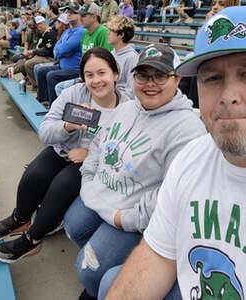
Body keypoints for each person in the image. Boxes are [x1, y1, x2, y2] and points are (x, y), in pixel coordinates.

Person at [102, 6, 246, 300]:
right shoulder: (193, 157)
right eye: (213, 78)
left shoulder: (184, 133)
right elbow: (157, 255)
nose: (229, 95)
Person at [63, 43, 206, 300]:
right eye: (143, 75)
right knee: (73, 226)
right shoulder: (126, 108)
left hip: (131, 216)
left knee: (90, 271)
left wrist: (124, 219)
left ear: (178, 79)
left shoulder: (188, 129)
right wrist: (87, 179)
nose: (150, 83)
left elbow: (169, 195)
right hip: (102, 193)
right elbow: (97, 144)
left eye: (160, 75)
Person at [0, 47, 128, 264]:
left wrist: (90, 154)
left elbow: (125, 151)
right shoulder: (73, 94)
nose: (96, 81)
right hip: (63, 150)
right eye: (89, 75)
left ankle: (32, 239)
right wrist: (67, 126)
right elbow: (45, 132)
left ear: (115, 74)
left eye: (102, 73)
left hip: (93, 164)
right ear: (82, 78)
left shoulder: (127, 109)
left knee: (61, 185)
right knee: (34, 175)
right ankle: (20, 218)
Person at [54, 2, 113, 97]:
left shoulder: (103, 33)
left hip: (97, 79)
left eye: (84, 15)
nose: (80, 18)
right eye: (80, 15)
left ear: (94, 17)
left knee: (60, 86)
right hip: (84, 76)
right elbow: (83, 59)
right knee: (59, 87)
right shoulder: (85, 34)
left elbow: (107, 62)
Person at [35, 9, 84, 105]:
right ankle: (43, 100)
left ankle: (54, 106)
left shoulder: (81, 31)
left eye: (73, 12)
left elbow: (63, 49)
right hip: (62, 65)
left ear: (80, 16)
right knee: (40, 70)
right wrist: (61, 51)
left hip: (74, 69)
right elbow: (56, 49)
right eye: (68, 12)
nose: (69, 14)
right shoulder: (67, 32)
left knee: (51, 75)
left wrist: (61, 51)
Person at [107, 15, 138, 99]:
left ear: (121, 34)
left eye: (111, 31)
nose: (107, 33)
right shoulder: (112, 53)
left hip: (120, 102)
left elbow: (131, 92)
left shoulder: (132, 57)